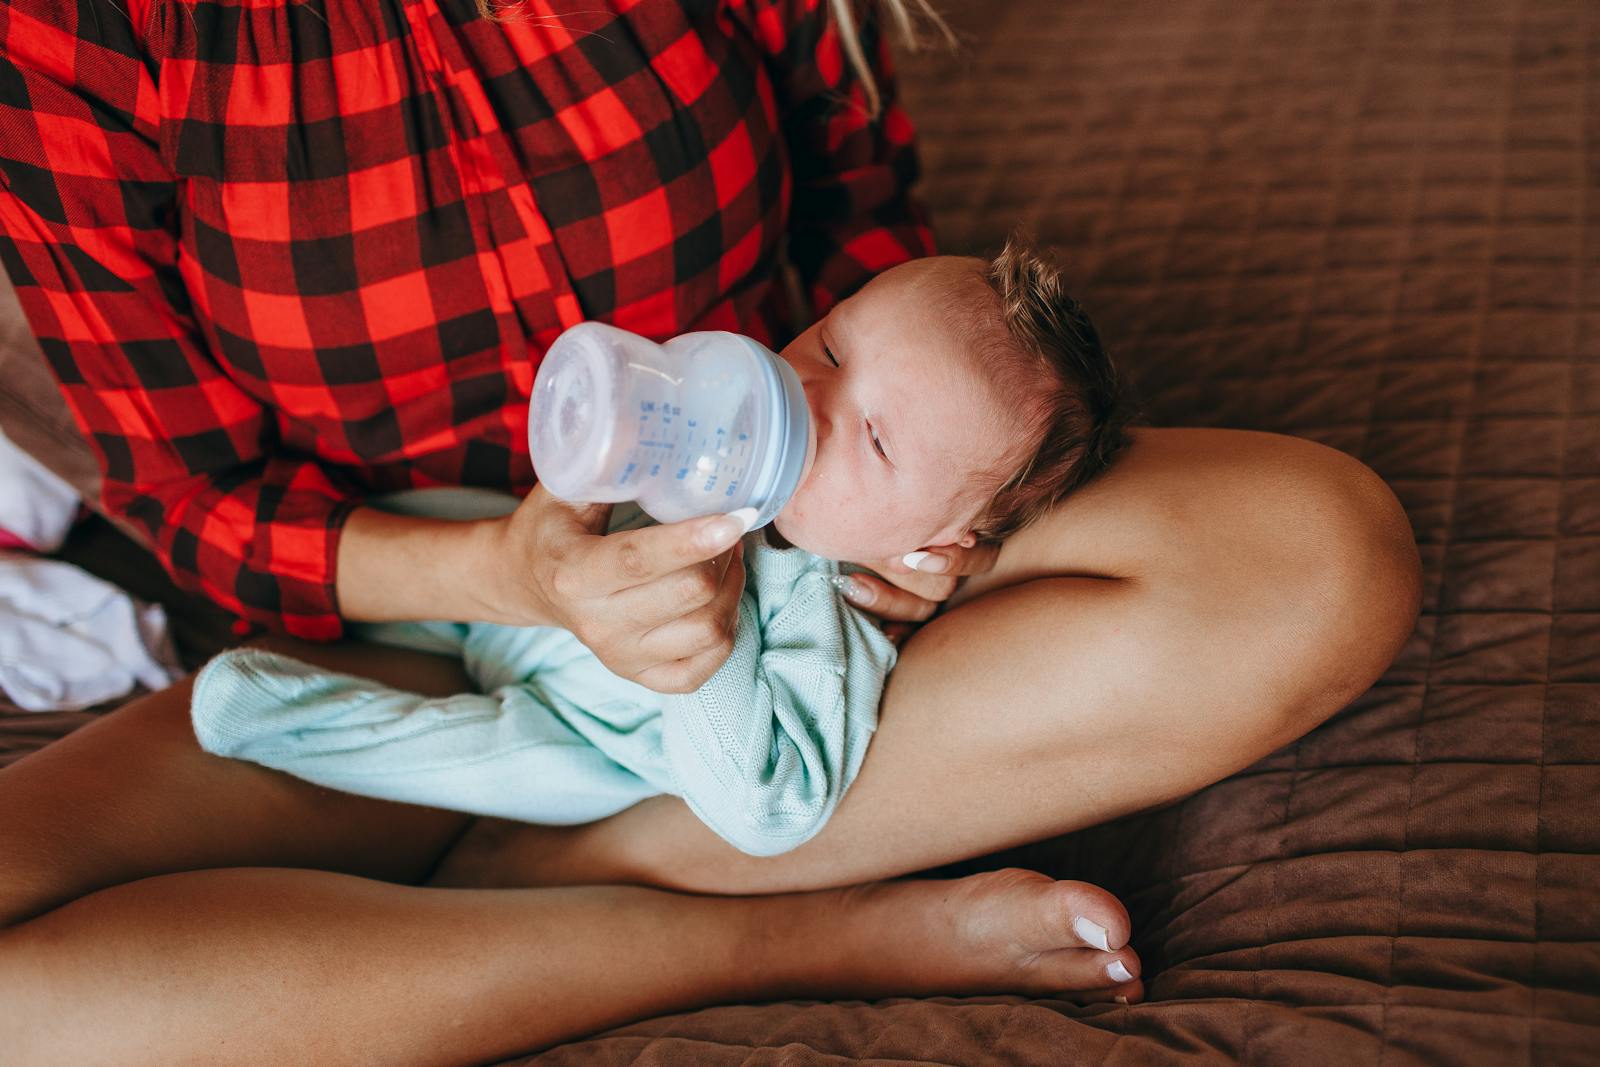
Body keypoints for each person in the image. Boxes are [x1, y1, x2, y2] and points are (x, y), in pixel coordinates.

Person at [0, 0, 1423, 1061]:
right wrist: (520, 571)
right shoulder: (87, 34)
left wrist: (902, 518)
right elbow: (194, 498)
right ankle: (790, 929)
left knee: (1318, 553)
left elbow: (866, 232)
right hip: (419, 612)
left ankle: (567, 868)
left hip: (798, 544)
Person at [187, 246, 1120, 859]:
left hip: (589, 733)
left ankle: (280, 717)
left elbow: (767, 810)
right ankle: (315, 603)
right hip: (518, 586)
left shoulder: (837, 621)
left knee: (488, 763)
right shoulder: (714, 426)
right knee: (430, 514)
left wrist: (708, 658)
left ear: (934, 545)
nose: (806, 393)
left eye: (873, 440)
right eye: (832, 344)